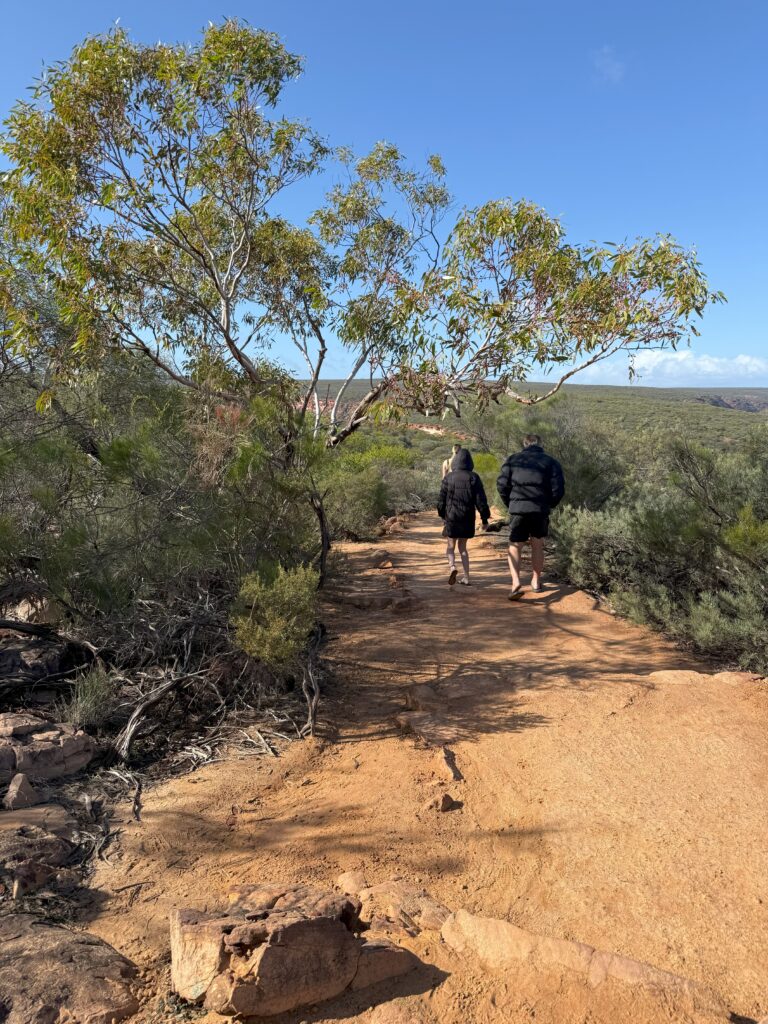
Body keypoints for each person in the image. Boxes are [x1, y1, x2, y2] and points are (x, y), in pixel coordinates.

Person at [496, 434, 565, 600]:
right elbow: (559, 488)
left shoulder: (512, 460)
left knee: (515, 545)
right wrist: (549, 505)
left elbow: (501, 485)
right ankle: (535, 581)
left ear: (524, 444)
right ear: (540, 444)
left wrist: (510, 503)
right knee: (537, 544)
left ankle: (515, 583)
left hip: (518, 509)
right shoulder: (551, 462)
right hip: (539, 509)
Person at [437, 449, 490, 586]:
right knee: (463, 548)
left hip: (452, 516)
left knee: (450, 546)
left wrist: (443, 516)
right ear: (469, 462)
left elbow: (441, 500)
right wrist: (484, 519)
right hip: (467, 516)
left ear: (455, 462)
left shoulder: (448, 477)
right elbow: (481, 500)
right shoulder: (474, 477)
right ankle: (466, 577)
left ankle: (453, 567)